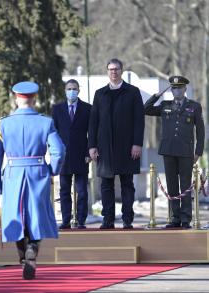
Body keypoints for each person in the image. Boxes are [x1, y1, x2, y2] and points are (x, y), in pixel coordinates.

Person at [0, 81, 65, 280]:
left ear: (16, 98)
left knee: (17, 216)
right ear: (34, 99)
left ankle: (23, 256)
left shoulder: (3, 123)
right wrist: (52, 169)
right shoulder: (45, 122)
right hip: (37, 172)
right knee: (36, 216)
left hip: (13, 175)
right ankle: (32, 249)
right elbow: (59, 151)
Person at [88, 58, 145, 229]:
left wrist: (137, 144)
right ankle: (108, 219)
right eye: (111, 69)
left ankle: (127, 219)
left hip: (127, 147)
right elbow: (93, 122)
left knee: (127, 184)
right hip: (105, 148)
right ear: (107, 72)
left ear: (122, 71)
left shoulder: (133, 92)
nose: (114, 72)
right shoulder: (100, 94)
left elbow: (139, 121)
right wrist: (92, 146)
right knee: (106, 185)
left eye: (117, 69)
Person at [144, 75, 205, 229]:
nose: (175, 91)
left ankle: (185, 219)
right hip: (169, 151)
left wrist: (198, 151)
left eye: (178, 88)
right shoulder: (165, 105)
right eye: (173, 88)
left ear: (184, 89)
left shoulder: (194, 106)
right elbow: (146, 109)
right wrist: (157, 94)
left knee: (185, 185)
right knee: (171, 185)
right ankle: (174, 218)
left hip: (186, 151)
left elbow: (201, 131)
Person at [52, 79, 91, 229]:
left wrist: (89, 151)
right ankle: (66, 220)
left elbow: (91, 132)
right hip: (64, 157)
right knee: (64, 191)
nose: (72, 91)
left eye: (74, 88)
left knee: (81, 191)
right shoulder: (57, 109)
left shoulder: (87, 108)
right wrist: (55, 153)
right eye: (69, 88)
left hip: (82, 156)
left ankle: (81, 220)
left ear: (79, 90)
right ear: (65, 90)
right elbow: (53, 132)